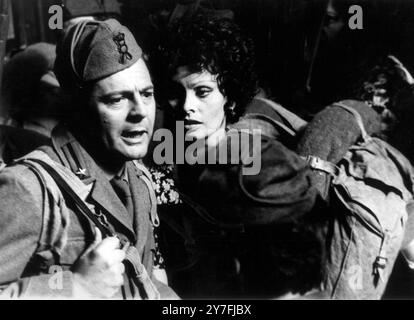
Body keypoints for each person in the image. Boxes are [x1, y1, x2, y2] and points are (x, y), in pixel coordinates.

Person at [154, 14, 327, 299]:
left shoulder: (264, 166)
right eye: (175, 92)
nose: (186, 107)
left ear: (230, 98)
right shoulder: (166, 157)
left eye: (203, 92)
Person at [0, 19, 175, 299]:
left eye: (147, 94)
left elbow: (144, 283)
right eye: (117, 99)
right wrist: (77, 287)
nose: (140, 112)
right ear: (78, 108)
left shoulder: (137, 179)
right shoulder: (30, 188)